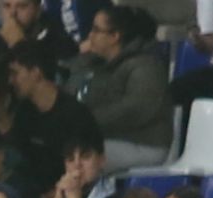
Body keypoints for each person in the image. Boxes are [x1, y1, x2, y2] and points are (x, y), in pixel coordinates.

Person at [72, 5, 171, 172]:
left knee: (74, 157)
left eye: (96, 30)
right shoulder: (97, 63)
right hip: (106, 139)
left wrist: (85, 121)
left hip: (142, 144)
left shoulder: (145, 66)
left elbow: (136, 109)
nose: (90, 36)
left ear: (114, 36)